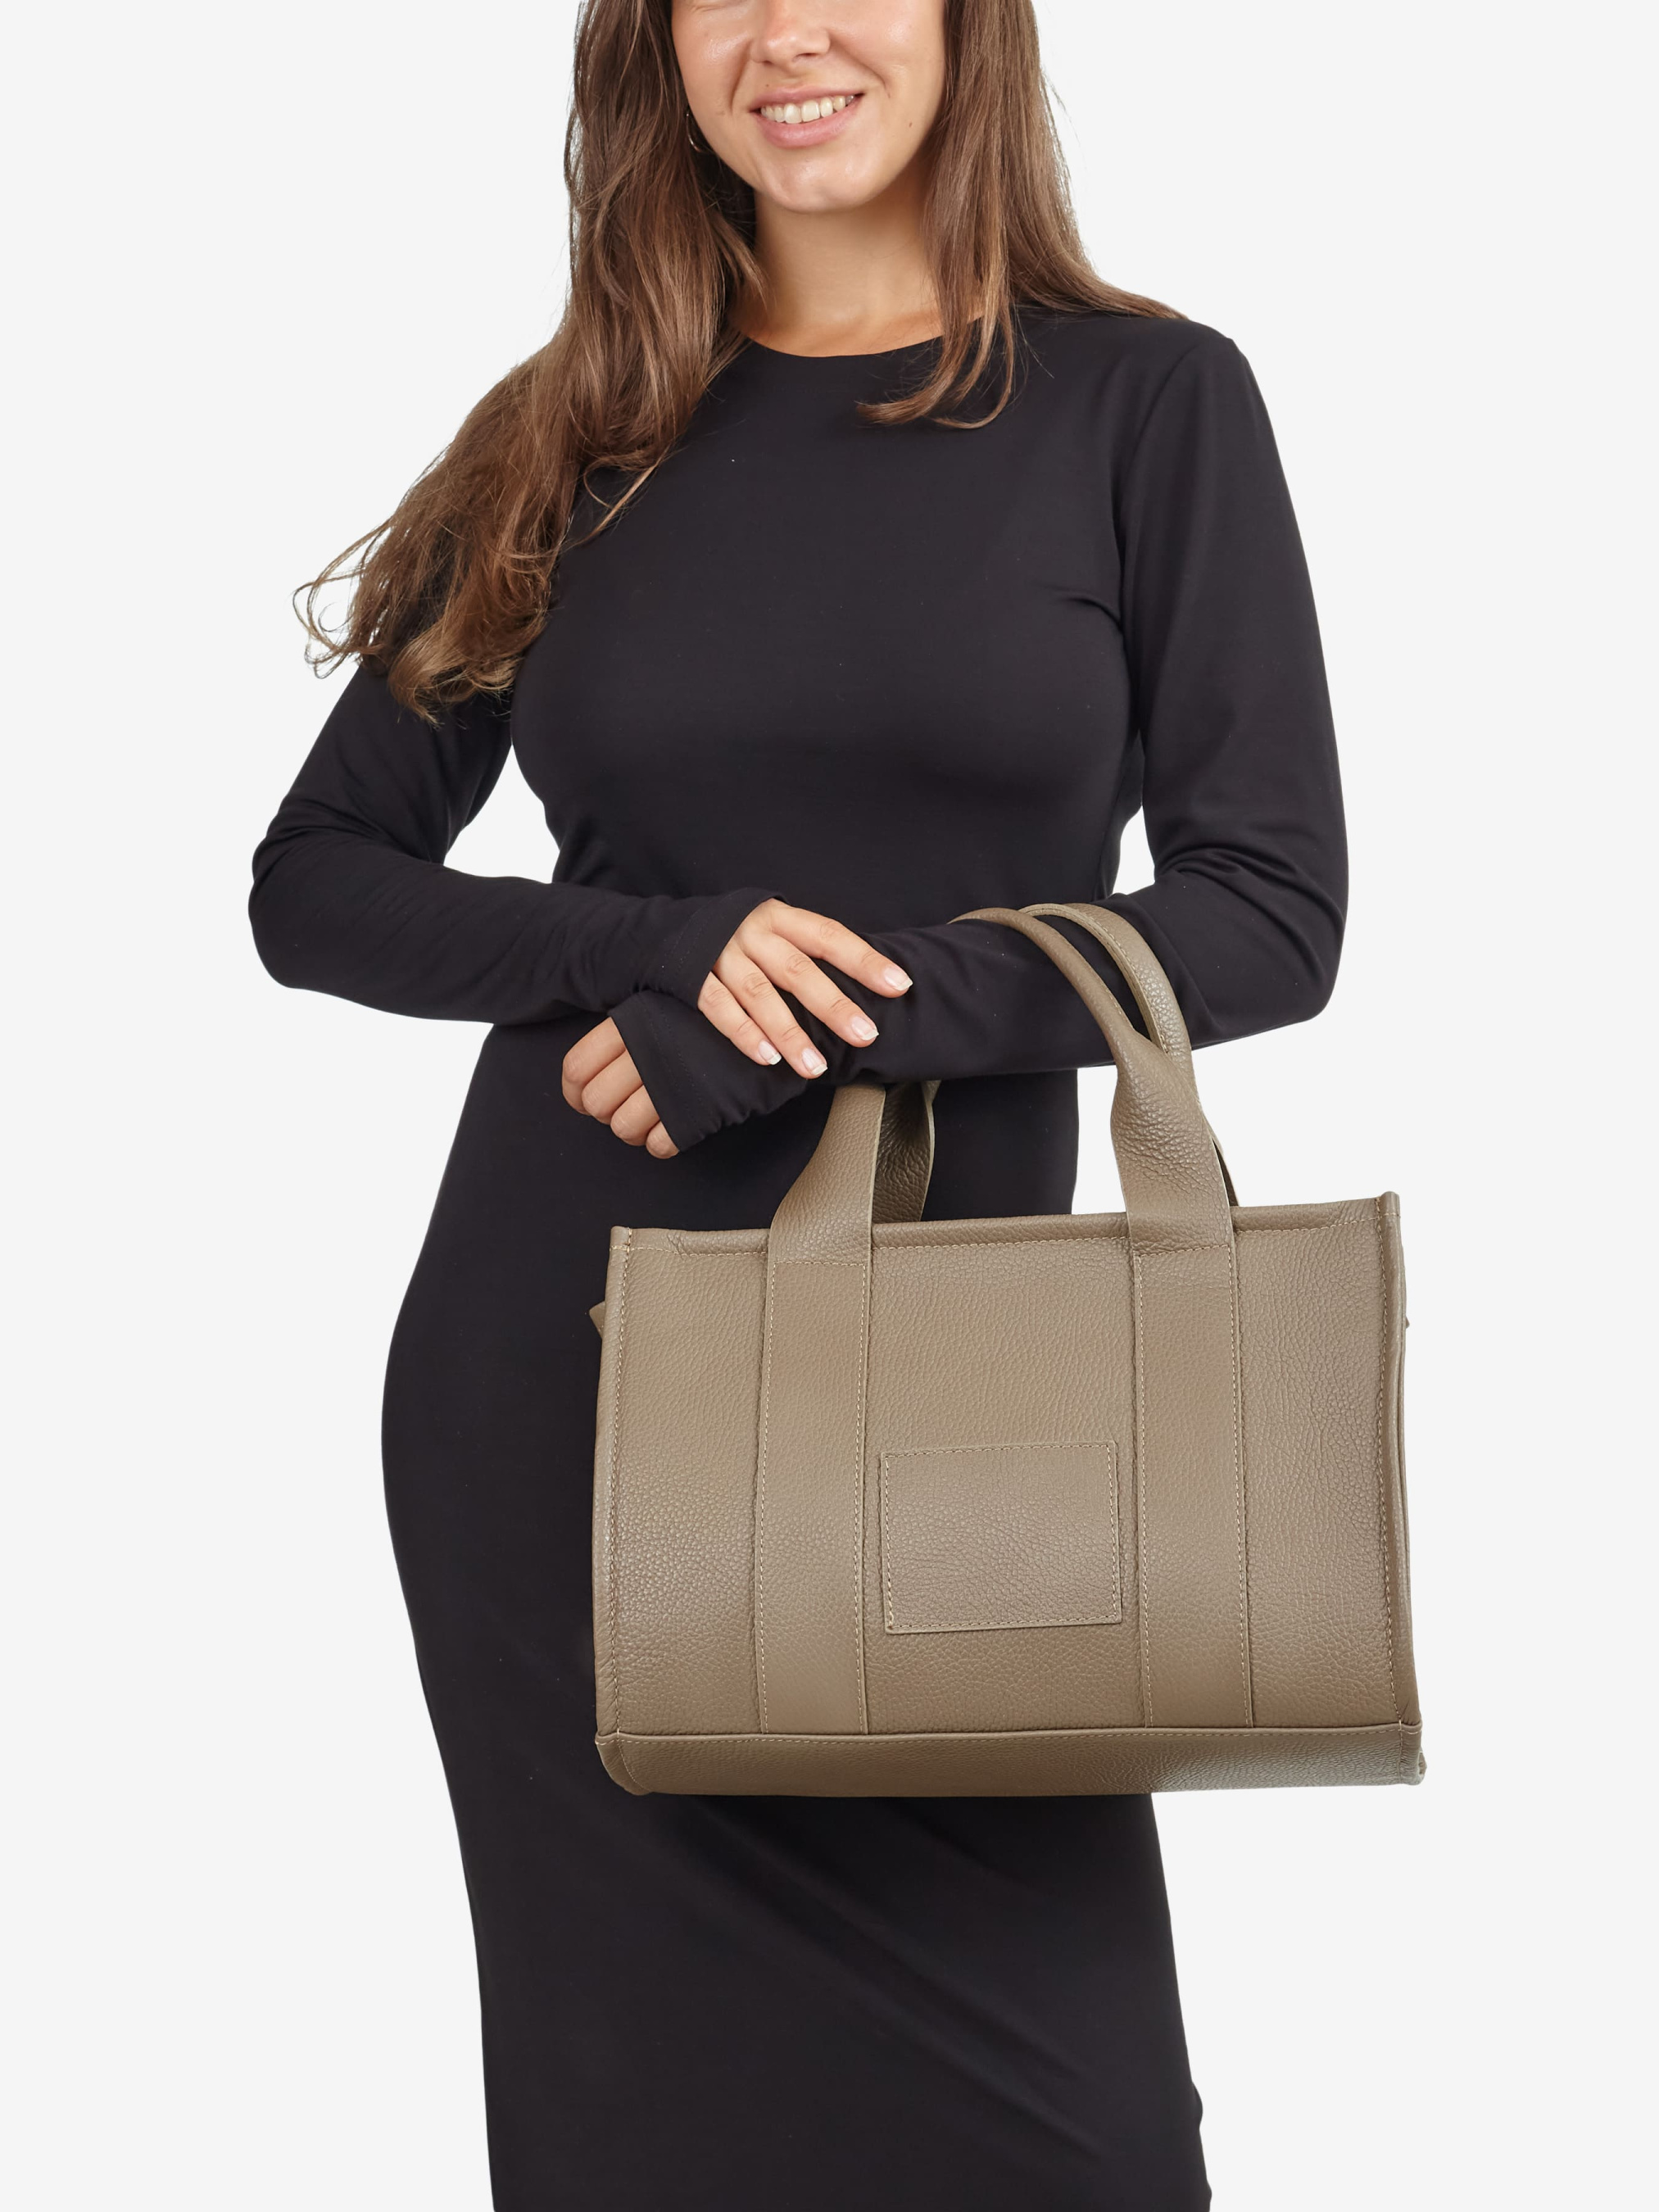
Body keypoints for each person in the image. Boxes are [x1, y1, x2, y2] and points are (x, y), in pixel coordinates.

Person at [250, 2, 1345, 2203]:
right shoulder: (570, 435)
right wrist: (649, 947)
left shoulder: (1146, 403)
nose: (789, 34)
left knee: (1089, 2145)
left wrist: (805, 1018)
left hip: (975, 1424)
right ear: (655, 42)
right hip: (569, 1382)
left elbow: (1268, 911)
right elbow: (318, 881)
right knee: (638, 2129)